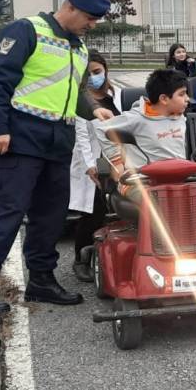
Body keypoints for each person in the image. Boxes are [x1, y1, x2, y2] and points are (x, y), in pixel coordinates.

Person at [0, 0, 109, 317]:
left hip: (59, 139)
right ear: (69, 7)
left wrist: (92, 109)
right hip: (22, 136)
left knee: (50, 215)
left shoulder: (79, 47)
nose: (92, 24)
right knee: (10, 211)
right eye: (89, 17)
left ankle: (41, 278)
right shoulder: (27, 31)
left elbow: (73, 91)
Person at [95, 69, 189, 204]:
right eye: (182, 94)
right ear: (164, 99)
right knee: (159, 202)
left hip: (174, 179)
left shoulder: (180, 117)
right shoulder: (136, 118)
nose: (187, 99)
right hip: (139, 181)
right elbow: (101, 130)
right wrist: (117, 162)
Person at [69, 51, 119, 283]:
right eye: (88, 73)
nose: (93, 77)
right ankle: (81, 259)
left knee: (116, 208)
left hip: (113, 159)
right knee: (91, 212)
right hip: (91, 160)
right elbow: (81, 135)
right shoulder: (84, 99)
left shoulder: (113, 93)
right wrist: (90, 166)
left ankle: (108, 255)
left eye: (97, 72)